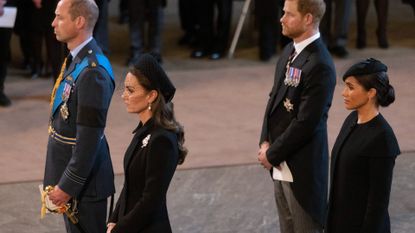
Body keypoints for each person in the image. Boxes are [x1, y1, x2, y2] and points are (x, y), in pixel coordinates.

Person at [257, 0, 336, 232]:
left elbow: (306, 123)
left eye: (289, 14)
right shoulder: (289, 51)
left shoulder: (319, 64)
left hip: (302, 169)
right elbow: (273, 101)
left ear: (308, 19)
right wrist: (265, 141)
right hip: (281, 162)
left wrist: (271, 153)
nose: (282, 18)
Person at [43, 0, 115, 233]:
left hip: (85, 184)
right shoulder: (78, 58)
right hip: (75, 177)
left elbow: (89, 139)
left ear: (80, 21)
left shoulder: (92, 72)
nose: (53, 23)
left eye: (60, 17)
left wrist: (67, 186)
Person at [107, 54, 187, 233]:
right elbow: (130, 185)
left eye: (130, 90)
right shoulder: (144, 131)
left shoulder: (162, 140)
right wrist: (113, 220)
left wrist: (120, 229)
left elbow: (151, 199)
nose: (123, 96)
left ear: (151, 95)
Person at [326, 58, 400, 233]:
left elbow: (377, 205)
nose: (344, 93)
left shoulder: (383, 138)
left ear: (371, 93)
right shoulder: (351, 120)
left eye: (351, 87)